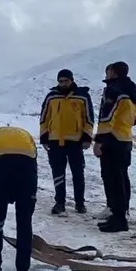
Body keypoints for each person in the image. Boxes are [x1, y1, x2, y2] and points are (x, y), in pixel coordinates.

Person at [0, 124, 38, 271]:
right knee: (24, 223)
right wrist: (32, 195)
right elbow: (34, 166)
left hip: (0, 167)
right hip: (26, 167)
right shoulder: (27, 136)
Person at [38, 68, 94, 215]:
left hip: (75, 142)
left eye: (66, 81)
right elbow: (44, 118)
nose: (63, 83)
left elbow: (88, 118)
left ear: (72, 80)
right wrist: (44, 137)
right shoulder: (51, 97)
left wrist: (87, 137)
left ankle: (80, 203)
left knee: (78, 173)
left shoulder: (83, 96)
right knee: (58, 173)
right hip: (55, 141)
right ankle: (59, 202)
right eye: (60, 81)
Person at [93, 61, 136, 233]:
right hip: (126, 139)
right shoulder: (132, 90)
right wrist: (130, 122)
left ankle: (118, 219)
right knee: (122, 178)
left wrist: (99, 141)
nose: (106, 74)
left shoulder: (114, 90)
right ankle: (120, 213)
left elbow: (106, 119)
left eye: (108, 71)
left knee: (113, 179)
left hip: (112, 140)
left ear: (113, 72)